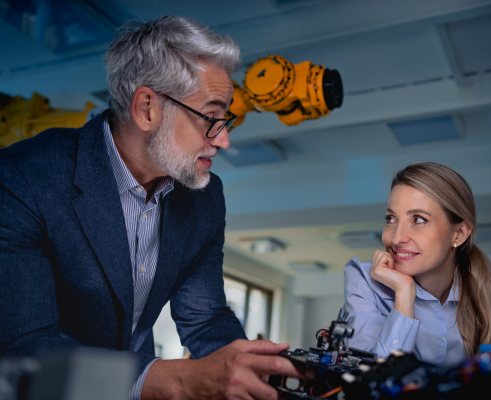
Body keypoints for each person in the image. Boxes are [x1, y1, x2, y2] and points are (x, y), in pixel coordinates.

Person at [0, 15, 302, 399]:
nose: (224, 140)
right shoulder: (24, 177)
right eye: (211, 118)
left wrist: (260, 375)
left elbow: (205, 318)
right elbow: (25, 347)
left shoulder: (204, 197)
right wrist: (177, 380)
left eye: (226, 119)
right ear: (146, 108)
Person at [344, 162, 491, 367]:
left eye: (418, 219)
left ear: (458, 234)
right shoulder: (364, 278)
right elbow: (367, 383)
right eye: (391, 218)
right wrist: (404, 294)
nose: (396, 238)